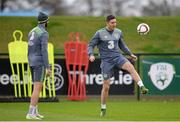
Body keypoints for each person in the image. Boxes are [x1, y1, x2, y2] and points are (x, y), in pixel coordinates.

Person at [88, 15, 149, 117]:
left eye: (115, 22)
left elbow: (122, 45)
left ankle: (142, 87)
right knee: (106, 86)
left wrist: (130, 54)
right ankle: (103, 108)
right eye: (112, 23)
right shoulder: (99, 33)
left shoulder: (118, 32)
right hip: (106, 61)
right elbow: (91, 45)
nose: (114, 24)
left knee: (130, 67)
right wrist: (90, 54)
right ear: (107, 23)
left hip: (118, 57)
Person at [26, 12, 51, 120]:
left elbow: (29, 49)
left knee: (36, 88)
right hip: (39, 62)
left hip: (31, 61)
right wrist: (48, 67)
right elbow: (44, 50)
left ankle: (35, 112)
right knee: (37, 88)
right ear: (46, 21)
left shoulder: (32, 31)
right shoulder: (44, 33)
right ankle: (30, 113)